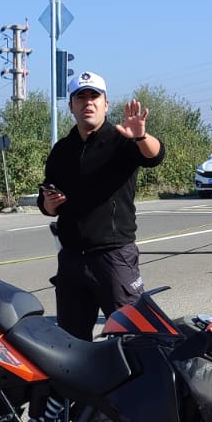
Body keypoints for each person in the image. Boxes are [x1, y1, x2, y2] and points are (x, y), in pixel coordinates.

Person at [38, 71, 164, 340]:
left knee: (132, 338)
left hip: (114, 257)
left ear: (106, 104)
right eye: (80, 97)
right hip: (72, 260)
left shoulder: (123, 139)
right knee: (71, 343)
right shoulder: (62, 150)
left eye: (94, 96)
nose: (88, 103)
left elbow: (155, 156)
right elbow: (46, 199)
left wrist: (141, 137)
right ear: (71, 106)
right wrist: (49, 204)